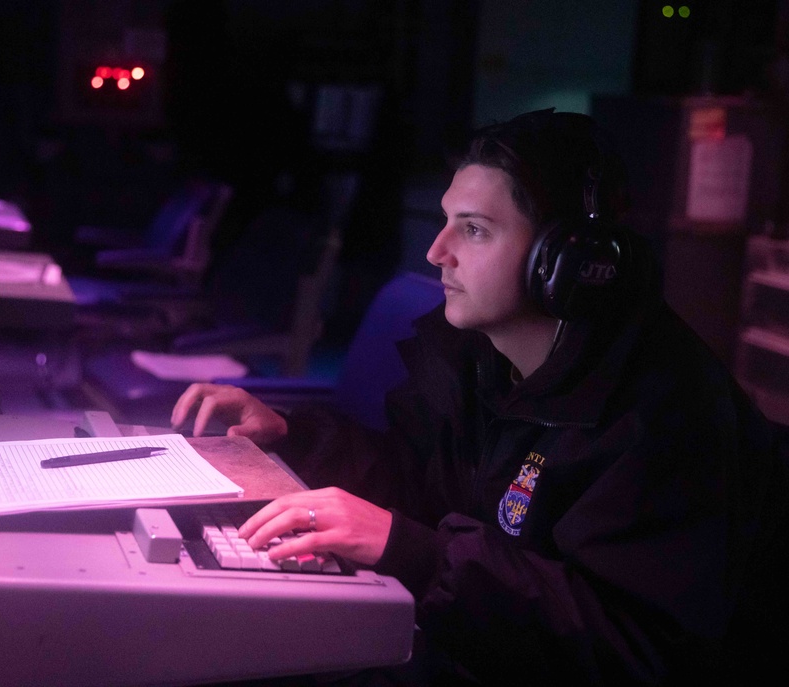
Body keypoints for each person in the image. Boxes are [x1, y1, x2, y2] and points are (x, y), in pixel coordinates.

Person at [170, 109, 787, 684]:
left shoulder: (667, 419)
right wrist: (291, 436)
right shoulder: (479, 360)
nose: (437, 252)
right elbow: (416, 477)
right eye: (446, 222)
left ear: (567, 262)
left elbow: (632, 646)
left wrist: (415, 553)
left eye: (475, 230)